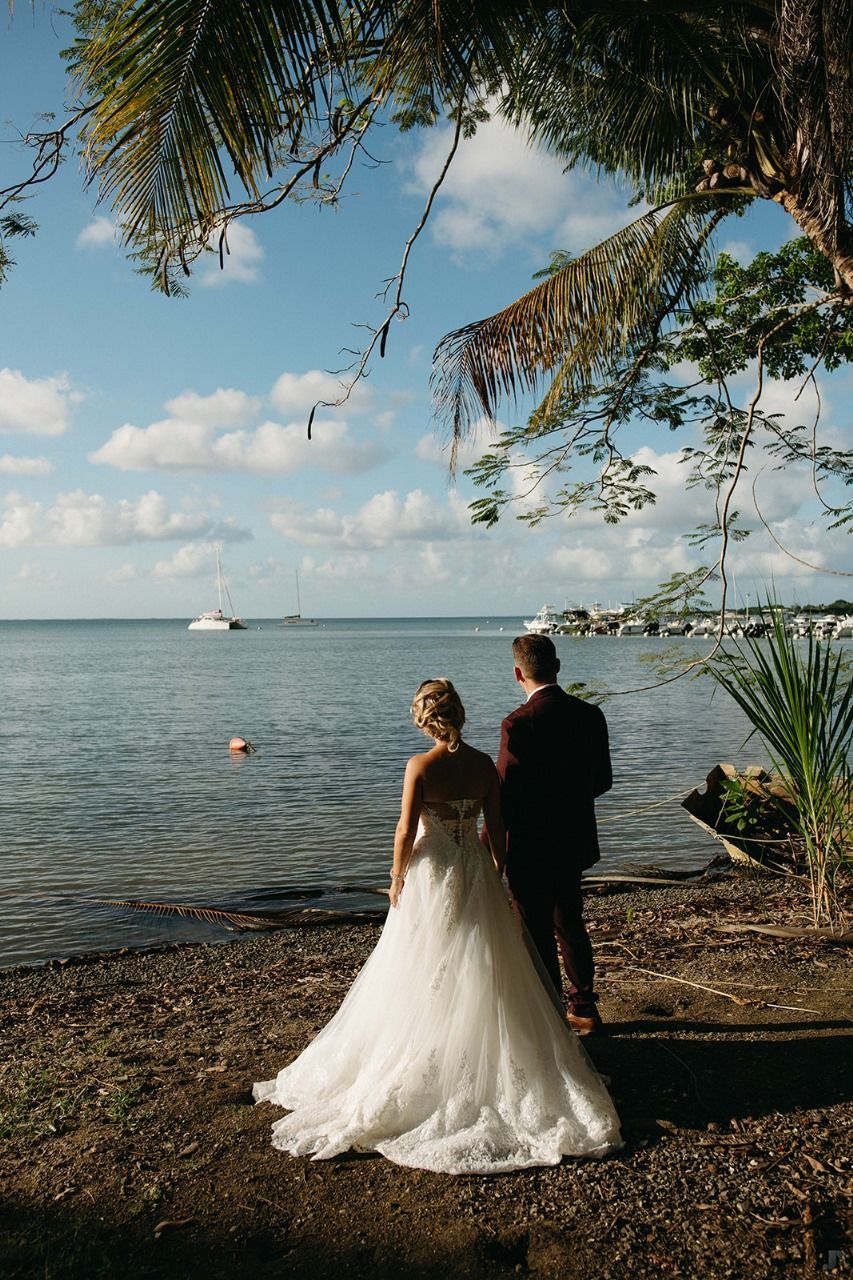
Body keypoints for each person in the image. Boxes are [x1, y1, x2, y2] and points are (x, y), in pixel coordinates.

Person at [253, 678, 621, 1174]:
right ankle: (482, 1047)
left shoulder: (420, 766)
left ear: (424, 720)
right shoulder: (484, 765)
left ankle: (431, 1051)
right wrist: (495, 870)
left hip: (432, 872)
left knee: (422, 959)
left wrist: (395, 876)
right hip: (474, 869)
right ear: (459, 715)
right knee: (481, 961)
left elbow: (406, 829)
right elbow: (497, 827)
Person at [492, 635, 612, 1036]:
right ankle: (584, 1008)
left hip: (529, 845)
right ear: (557, 666)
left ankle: (548, 1013)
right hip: (573, 839)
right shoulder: (590, 715)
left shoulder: (518, 723)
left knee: (534, 931)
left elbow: (505, 795)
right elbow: (603, 781)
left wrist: (488, 844)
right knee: (570, 922)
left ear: (517, 673)